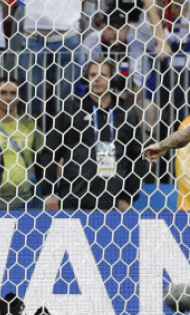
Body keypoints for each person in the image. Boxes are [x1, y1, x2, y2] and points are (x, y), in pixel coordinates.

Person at [45, 59, 147, 210]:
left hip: (113, 203)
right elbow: (49, 152)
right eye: (93, 75)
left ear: (112, 79)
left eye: (103, 75)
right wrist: (49, 192)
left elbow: (138, 158)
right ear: (86, 79)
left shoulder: (125, 114)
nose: (97, 79)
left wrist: (127, 196)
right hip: (73, 200)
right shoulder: (71, 110)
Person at [0, 77, 47, 210]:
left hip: (23, 201)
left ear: (19, 97)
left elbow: (46, 160)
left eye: (13, 93)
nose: (8, 98)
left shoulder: (30, 126)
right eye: (3, 93)